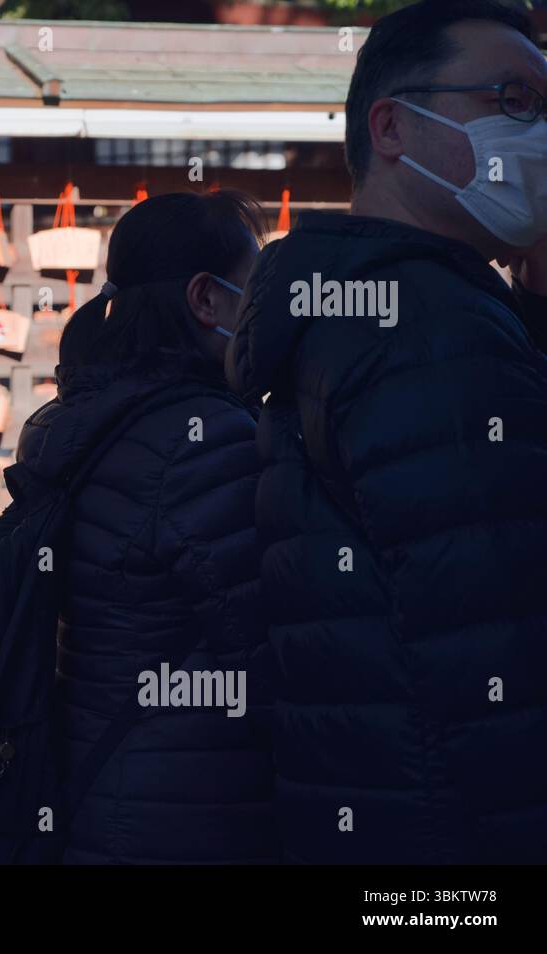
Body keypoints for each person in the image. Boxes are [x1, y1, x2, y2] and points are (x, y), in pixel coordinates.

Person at [226, 0, 547, 863]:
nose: (539, 131)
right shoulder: (428, 327)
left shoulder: (365, 303)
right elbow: (497, 632)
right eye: (512, 98)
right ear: (393, 126)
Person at [14, 191, 276, 864]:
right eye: (251, 289)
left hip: (101, 782)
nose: (261, 311)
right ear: (205, 299)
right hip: (191, 814)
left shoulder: (85, 420)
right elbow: (264, 640)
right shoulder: (206, 439)